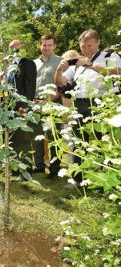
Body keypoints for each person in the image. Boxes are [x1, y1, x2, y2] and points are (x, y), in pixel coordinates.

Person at [55, 29, 121, 185]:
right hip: (79, 104)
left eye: (89, 46)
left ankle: (106, 179)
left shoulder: (109, 56)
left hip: (100, 103)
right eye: (83, 46)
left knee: (102, 140)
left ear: (98, 43)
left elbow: (117, 73)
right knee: (79, 141)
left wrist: (92, 65)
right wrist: (58, 69)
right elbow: (61, 81)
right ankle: (79, 179)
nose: (86, 49)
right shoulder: (78, 62)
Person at [7, 39, 37, 181]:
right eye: (12, 49)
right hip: (10, 108)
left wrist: (24, 107)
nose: (15, 52)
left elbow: (30, 88)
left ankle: (26, 172)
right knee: (13, 140)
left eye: (17, 49)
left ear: (23, 48)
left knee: (24, 140)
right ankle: (15, 168)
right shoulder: (10, 66)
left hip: (22, 107)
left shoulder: (28, 64)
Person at [33, 35, 62, 179]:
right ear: (40, 45)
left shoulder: (60, 61)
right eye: (44, 45)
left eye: (50, 45)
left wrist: (50, 99)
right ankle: (38, 166)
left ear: (54, 46)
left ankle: (54, 168)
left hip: (53, 104)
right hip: (36, 105)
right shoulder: (33, 63)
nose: (47, 48)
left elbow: (61, 84)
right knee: (37, 137)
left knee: (53, 137)